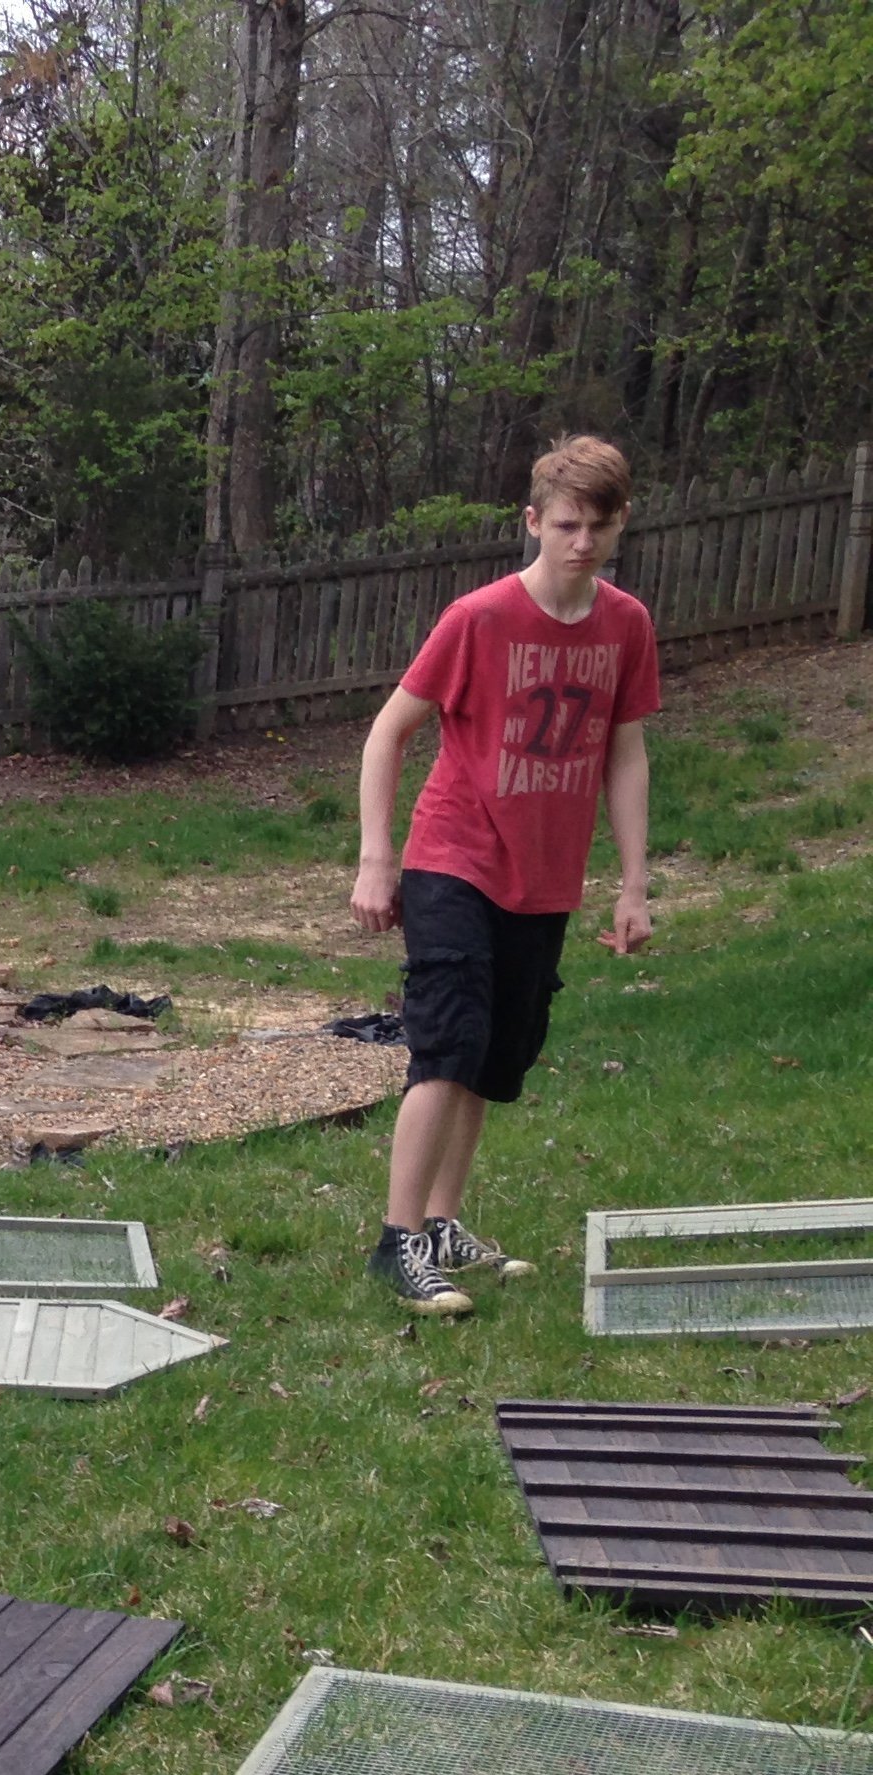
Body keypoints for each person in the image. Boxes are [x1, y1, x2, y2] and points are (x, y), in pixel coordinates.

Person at [352, 434, 661, 1317]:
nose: (582, 542)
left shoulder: (626, 625)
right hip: (454, 857)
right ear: (532, 522)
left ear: (620, 524)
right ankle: (399, 1243)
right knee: (448, 1042)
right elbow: (388, 732)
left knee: (495, 1054)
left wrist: (633, 884)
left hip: (546, 876)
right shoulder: (479, 619)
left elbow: (625, 755)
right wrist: (379, 859)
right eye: (566, 524)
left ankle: (445, 1224)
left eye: (600, 526)